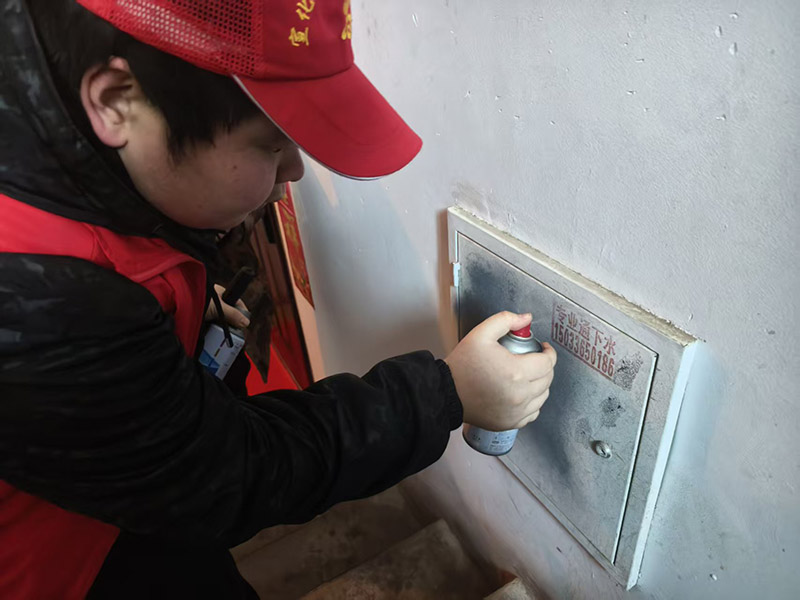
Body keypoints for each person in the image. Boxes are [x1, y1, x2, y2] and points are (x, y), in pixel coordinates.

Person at [0, 0, 557, 598]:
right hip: (65, 566)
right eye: (271, 144)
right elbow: (224, 476)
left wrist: (180, 317)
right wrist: (447, 393)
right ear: (116, 102)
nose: (295, 170)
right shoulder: (40, 302)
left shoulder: (63, 149)